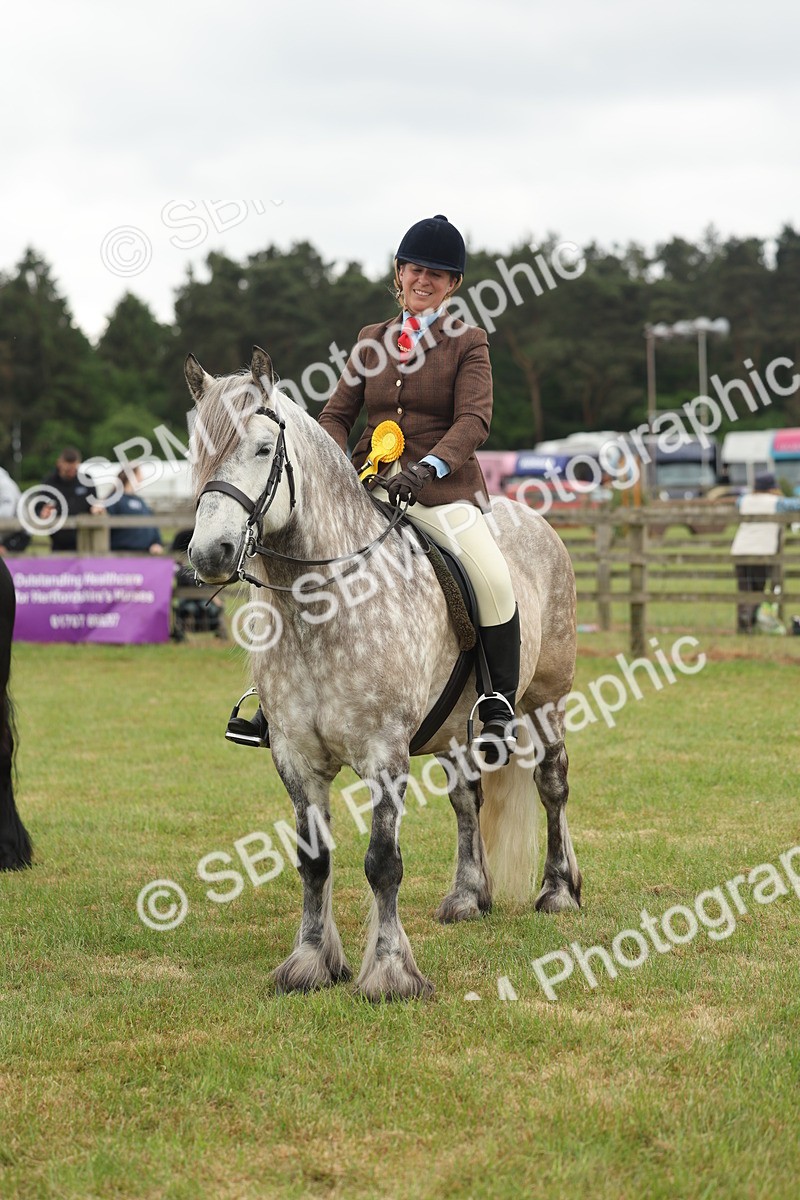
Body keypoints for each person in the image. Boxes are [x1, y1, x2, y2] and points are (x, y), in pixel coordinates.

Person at [226, 214, 520, 764]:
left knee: (494, 577)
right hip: (368, 488)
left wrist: (429, 467)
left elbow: (474, 420)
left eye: (437, 274)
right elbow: (336, 415)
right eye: (415, 269)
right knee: (292, 562)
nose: (423, 280)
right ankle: (272, 699)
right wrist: (334, 467)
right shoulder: (371, 341)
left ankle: (498, 702)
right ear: (399, 272)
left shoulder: (469, 342)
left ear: (452, 284)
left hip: (442, 493)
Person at [730, 472, 800, 633]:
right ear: (772, 487)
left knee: (744, 589)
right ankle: (749, 621)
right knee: (758, 589)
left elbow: (737, 501)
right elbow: (795, 505)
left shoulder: (744, 501)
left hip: (740, 550)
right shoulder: (776, 503)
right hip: (762, 551)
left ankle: (744, 624)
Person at [38, 447, 101, 551]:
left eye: (74, 468)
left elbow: (94, 504)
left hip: (84, 542)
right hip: (59, 542)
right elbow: (39, 509)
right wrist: (43, 513)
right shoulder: (49, 482)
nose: (72, 472)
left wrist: (96, 509)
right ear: (59, 463)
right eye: (68, 469)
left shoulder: (86, 480)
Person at [106, 466, 164, 554]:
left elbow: (152, 523)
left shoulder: (140, 501)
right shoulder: (114, 499)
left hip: (145, 554)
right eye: (139, 475)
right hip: (122, 554)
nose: (141, 478)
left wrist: (156, 542)